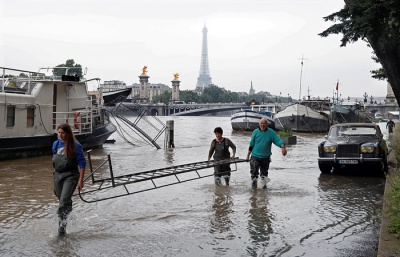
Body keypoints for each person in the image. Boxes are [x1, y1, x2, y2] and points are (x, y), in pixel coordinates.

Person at [52, 123, 86, 237]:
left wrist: (81, 181)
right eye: (59, 133)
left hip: (71, 175)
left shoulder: (76, 146)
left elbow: (82, 163)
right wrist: (54, 172)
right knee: (62, 200)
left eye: (63, 133)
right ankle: (68, 211)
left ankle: (61, 230)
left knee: (63, 202)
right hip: (58, 175)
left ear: (68, 133)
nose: (60, 135)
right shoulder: (56, 144)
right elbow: (54, 159)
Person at [246, 118, 287, 189]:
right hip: (255, 156)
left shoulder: (271, 132)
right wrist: (247, 156)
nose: (262, 125)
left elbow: (277, 140)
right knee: (254, 175)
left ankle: (264, 192)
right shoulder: (255, 132)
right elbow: (251, 145)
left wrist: (283, 147)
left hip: (265, 158)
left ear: (267, 124)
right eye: (261, 123)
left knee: (264, 176)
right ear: (259, 124)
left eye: (264, 123)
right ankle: (254, 191)